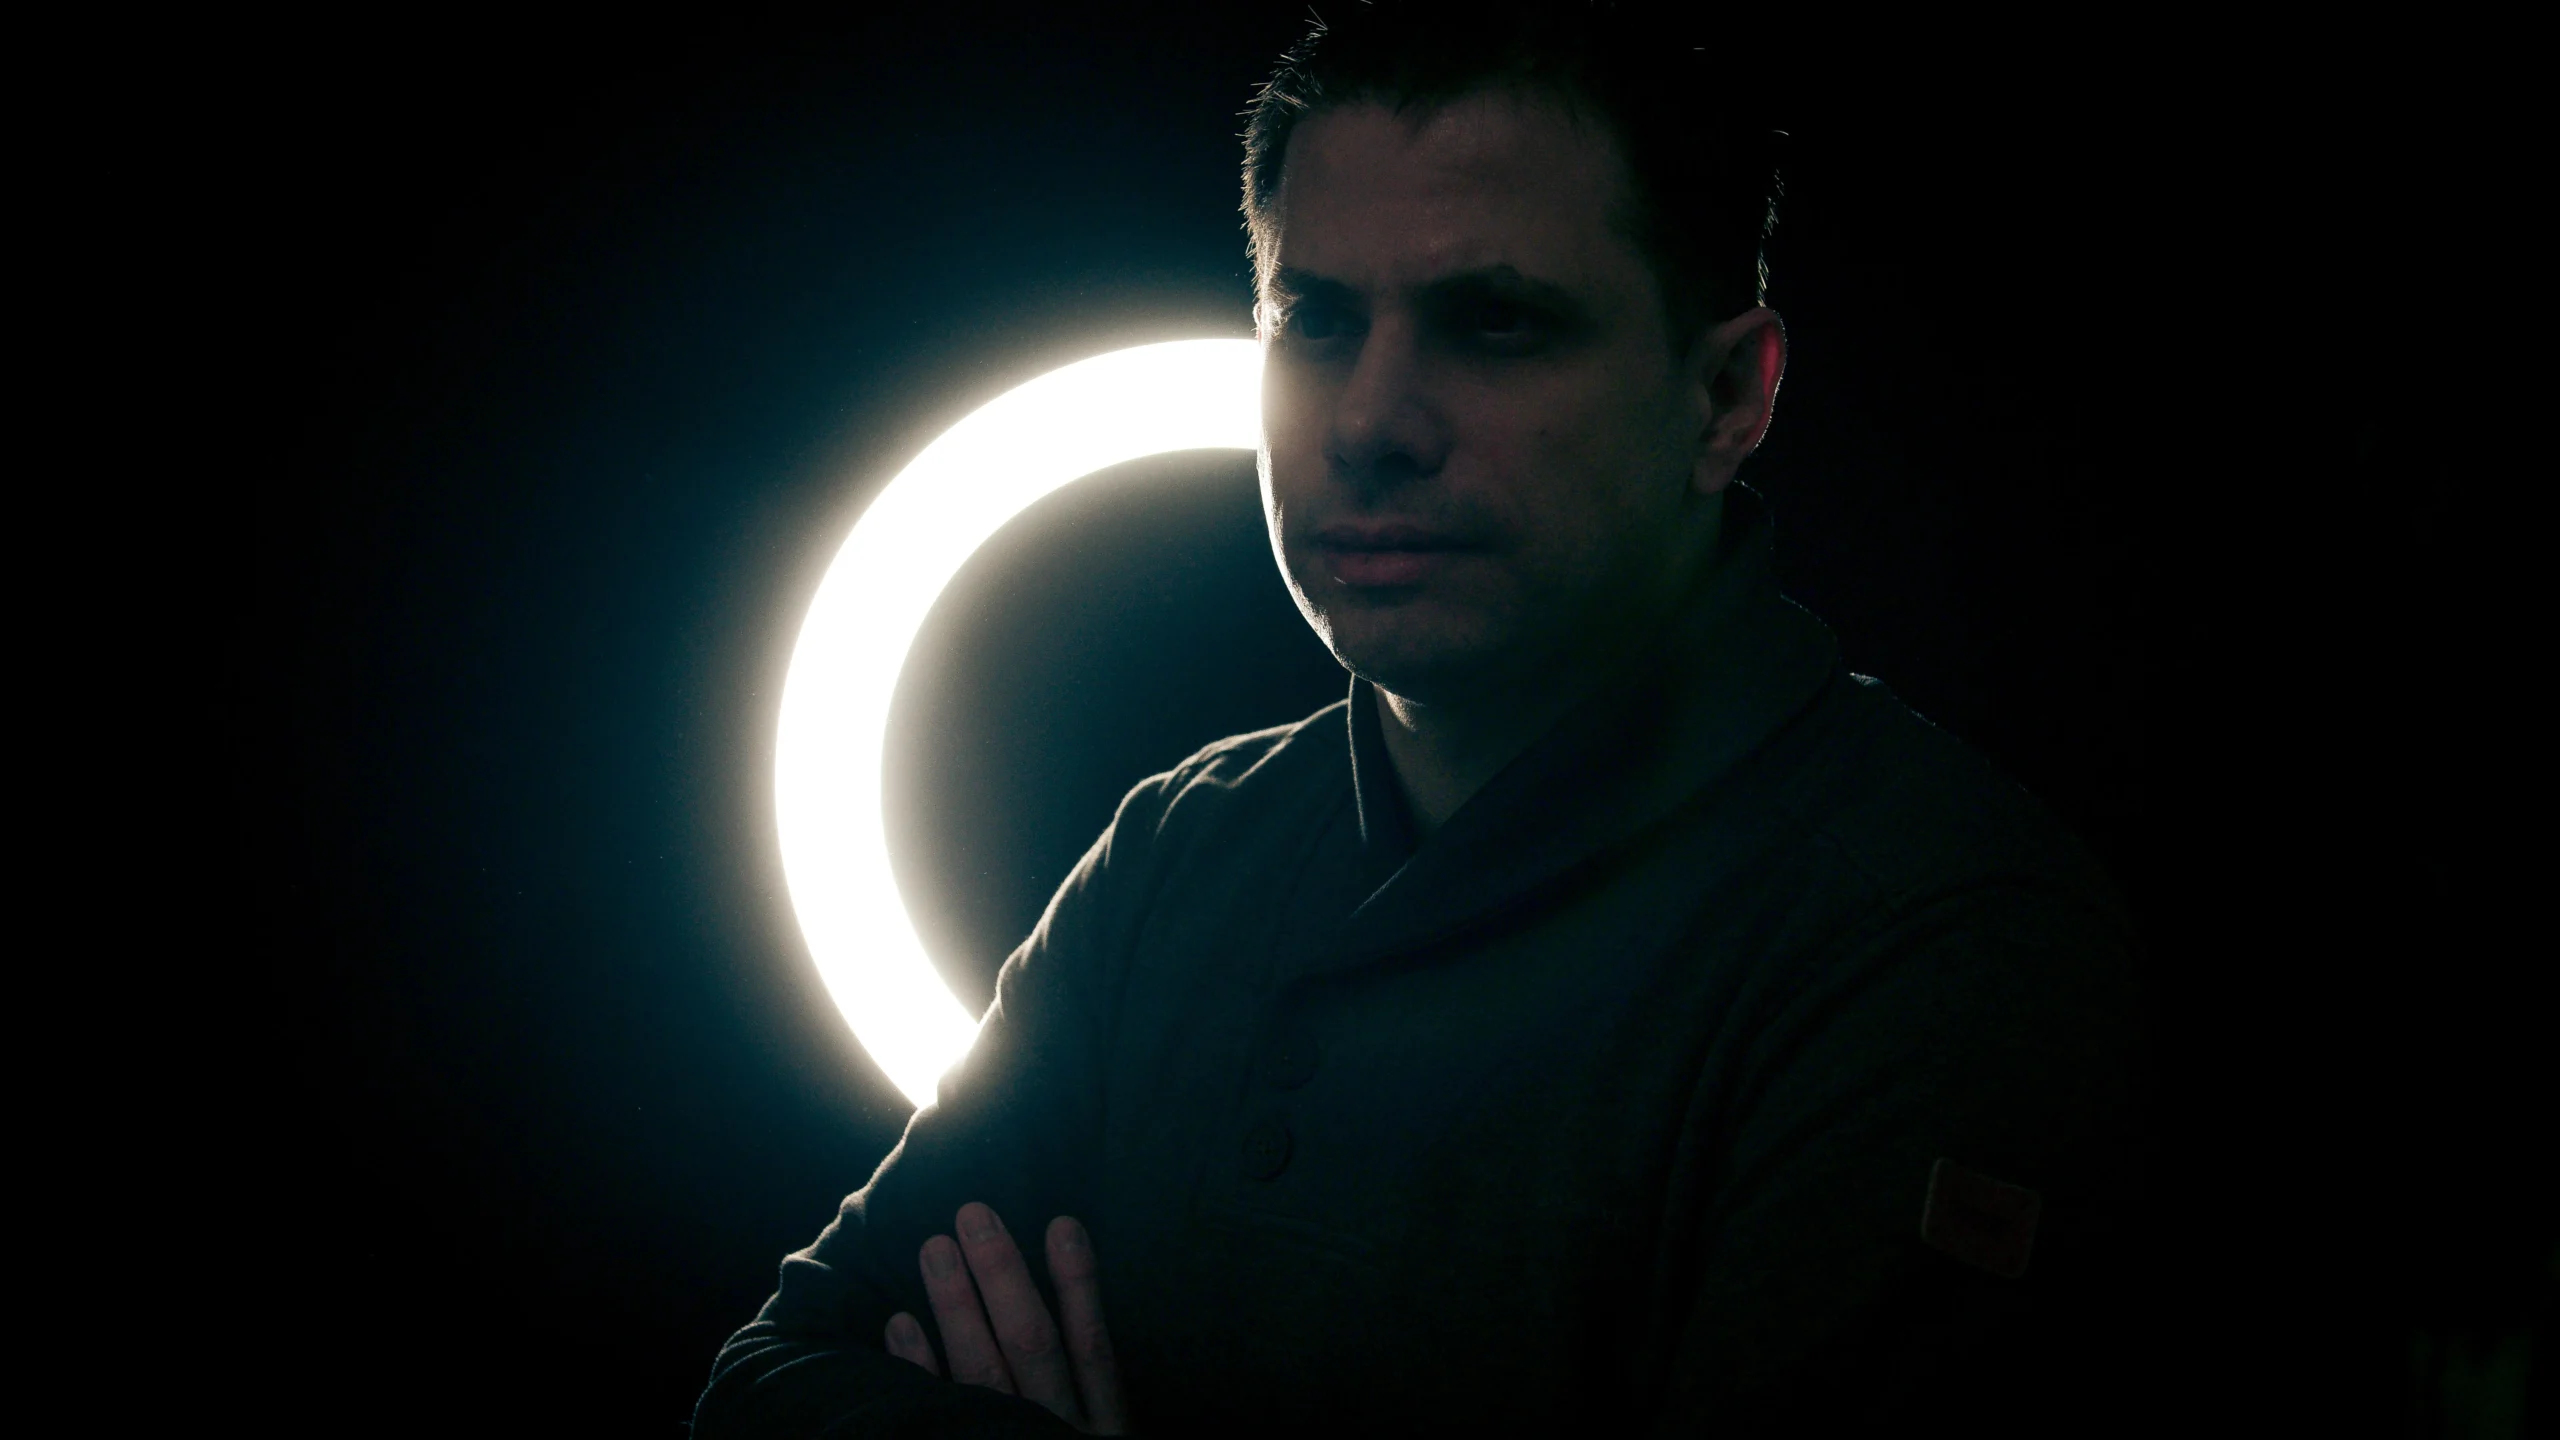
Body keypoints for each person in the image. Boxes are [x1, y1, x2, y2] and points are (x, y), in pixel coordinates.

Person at [695, 3, 2148, 1434]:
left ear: (1725, 395)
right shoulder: (1181, 854)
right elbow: (769, 1385)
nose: (1372, 420)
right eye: (1316, 321)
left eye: (1495, 323)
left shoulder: (1939, 943)